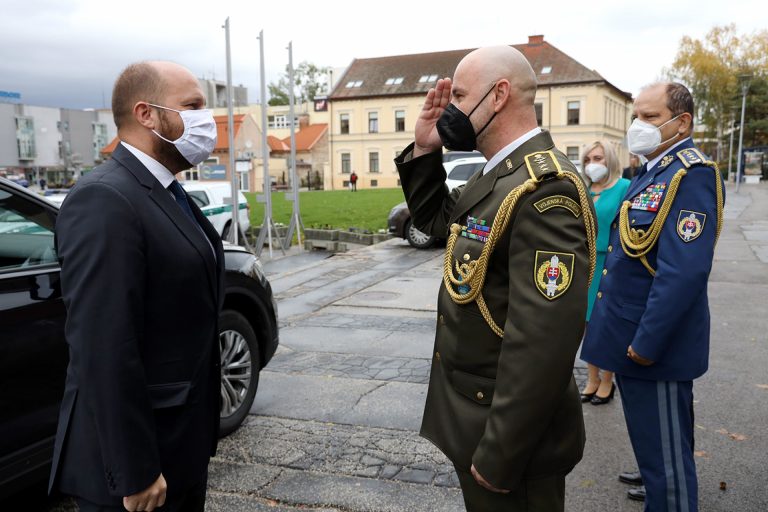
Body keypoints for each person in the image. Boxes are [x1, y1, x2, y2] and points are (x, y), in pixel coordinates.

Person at [395, 45, 596, 512]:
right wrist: (426, 148)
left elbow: (543, 343)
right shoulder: (500, 175)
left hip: (511, 440)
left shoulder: (546, 189)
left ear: (499, 95)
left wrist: (502, 453)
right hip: (474, 415)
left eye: (460, 95)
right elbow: (437, 225)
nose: (451, 108)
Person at [49, 61, 224, 512]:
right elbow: (103, 345)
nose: (208, 119)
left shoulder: (166, 189)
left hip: (180, 448)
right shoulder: (105, 198)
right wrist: (136, 469)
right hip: (136, 475)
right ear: (147, 114)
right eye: (193, 106)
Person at [580, 82, 724, 510]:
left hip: (653, 345)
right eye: (636, 116)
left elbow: (683, 273)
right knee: (655, 449)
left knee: (668, 470)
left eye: (651, 117)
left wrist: (646, 343)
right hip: (632, 335)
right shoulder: (651, 169)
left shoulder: (690, 174)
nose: (638, 126)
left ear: (682, 123)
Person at [579, 141, 630, 405]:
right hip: (584, 263)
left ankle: (607, 380)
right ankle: (592, 378)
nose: (592, 163)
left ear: (609, 159)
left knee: (606, 323)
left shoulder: (623, 187)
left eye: (597, 157)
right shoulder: (584, 188)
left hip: (610, 264)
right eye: (588, 158)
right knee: (587, 323)